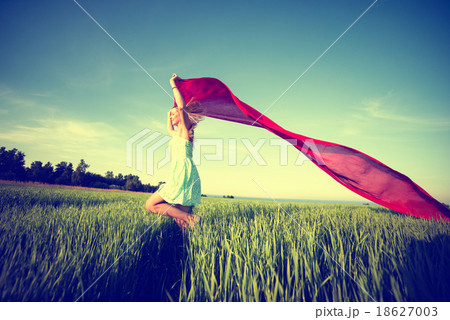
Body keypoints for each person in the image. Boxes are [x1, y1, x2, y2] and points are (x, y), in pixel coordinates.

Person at [145, 73, 205, 229]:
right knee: (181, 223)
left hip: (183, 173)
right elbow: (168, 128)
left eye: (173, 114)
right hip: (183, 172)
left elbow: (181, 107)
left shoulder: (185, 131)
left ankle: (192, 217)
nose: (171, 117)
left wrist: (173, 84)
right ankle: (187, 245)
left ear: (181, 115)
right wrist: (167, 114)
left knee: (150, 205)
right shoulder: (177, 134)